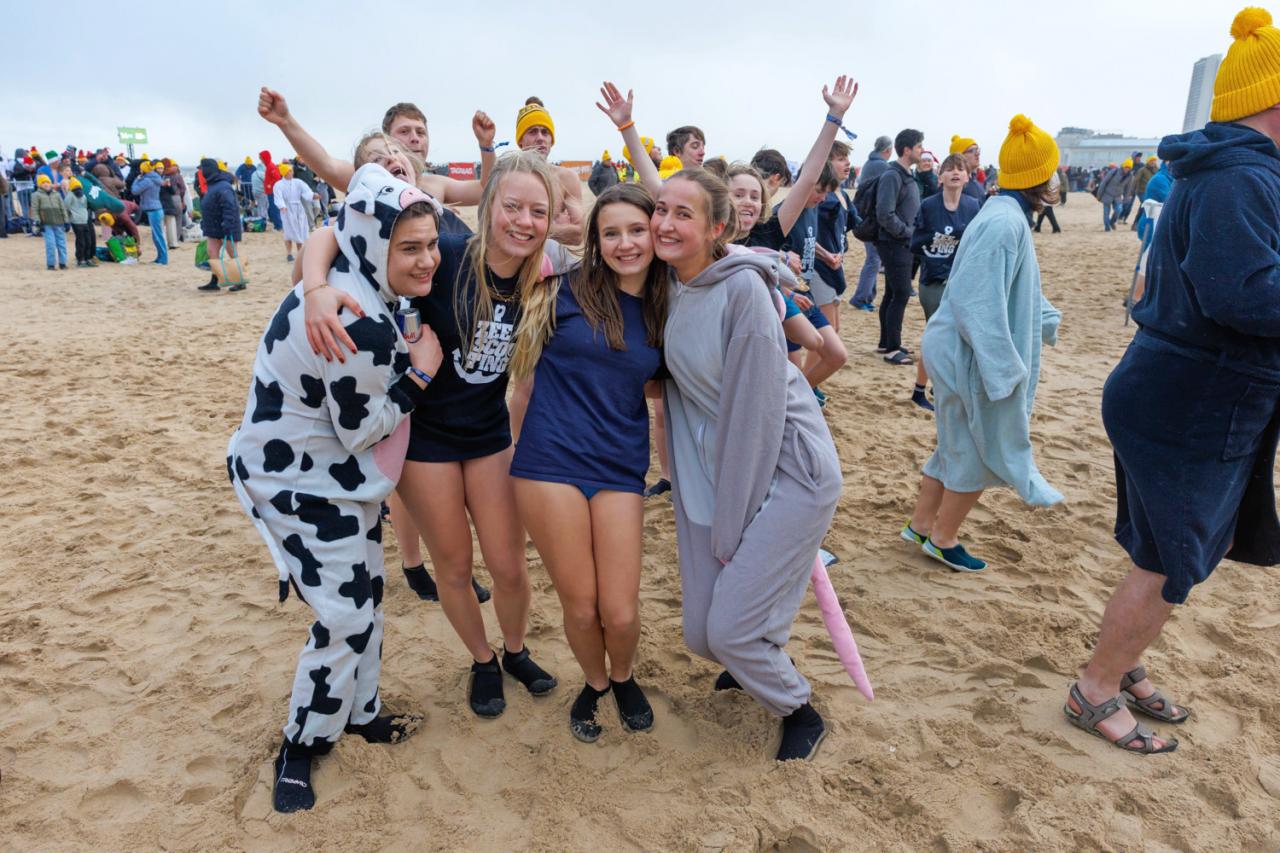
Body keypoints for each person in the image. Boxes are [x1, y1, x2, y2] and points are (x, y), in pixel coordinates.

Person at [1067, 7, 1280, 756]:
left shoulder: (1230, 171)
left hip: (1178, 392)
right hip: (1192, 401)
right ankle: (1095, 687)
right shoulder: (1241, 178)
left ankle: (1123, 665)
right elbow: (1241, 296)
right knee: (1169, 559)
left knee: (1166, 548)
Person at [301, 151, 560, 719]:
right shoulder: (445, 252)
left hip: (489, 436)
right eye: (511, 206)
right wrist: (315, 286)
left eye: (537, 211)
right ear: (488, 206)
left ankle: (516, 651)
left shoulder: (546, 274)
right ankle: (482, 660)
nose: (523, 221)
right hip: (426, 442)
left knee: (509, 566)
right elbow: (332, 232)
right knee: (455, 566)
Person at [228, 163, 444, 813]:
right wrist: (421, 375)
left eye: (431, 244)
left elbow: (336, 219)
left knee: (366, 595)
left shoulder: (352, 266)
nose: (428, 260)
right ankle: (301, 744)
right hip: (298, 479)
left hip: (330, 475)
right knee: (346, 614)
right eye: (410, 248)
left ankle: (360, 712)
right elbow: (362, 429)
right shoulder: (360, 319)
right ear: (377, 244)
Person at [656, 156, 847, 761]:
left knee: (732, 630)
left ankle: (799, 708)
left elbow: (758, 417)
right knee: (702, 634)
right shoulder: (670, 285)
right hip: (721, 464)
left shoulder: (742, 290)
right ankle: (752, 659)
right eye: (661, 209)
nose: (664, 223)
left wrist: (733, 523)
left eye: (683, 215)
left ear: (718, 229)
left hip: (790, 468)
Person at [511, 181, 666, 742]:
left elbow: (659, 383)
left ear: (655, 232)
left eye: (637, 230)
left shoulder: (670, 305)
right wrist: (514, 455)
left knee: (619, 610)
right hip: (548, 461)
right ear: (595, 240)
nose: (626, 244)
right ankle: (596, 683)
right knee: (581, 608)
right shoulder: (560, 291)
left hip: (620, 464)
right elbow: (522, 385)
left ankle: (623, 676)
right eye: (611, 233)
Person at [902, 114, 1063, 573]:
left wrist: (1043, 317)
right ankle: (943, 538)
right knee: (979, 447)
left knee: (954, 442)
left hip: (954, 343)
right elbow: (976, 299)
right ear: (1041, 178)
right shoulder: (1004, 223)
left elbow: (1012, 284)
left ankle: (920, 525)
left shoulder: (1001, 213)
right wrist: (1002, 369)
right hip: (963, 350)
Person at [907, 153, 980, 410]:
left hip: (961, 281)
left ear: (967, 176)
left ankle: (942, 387)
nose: (955, 172)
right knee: (936, 336)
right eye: (949, 169)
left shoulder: (973, 205)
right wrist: (938, 251)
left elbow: (977, 243)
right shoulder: (929, 205)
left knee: (958, 337)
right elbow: (915, 243)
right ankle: (920, 390)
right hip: (933, 280)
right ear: (941, 177)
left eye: (960, 169)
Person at [875, 128, 924, 365]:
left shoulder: (906, 174)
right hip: (894, 243)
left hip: (901, 242)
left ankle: (886, 342)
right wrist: (907, 233)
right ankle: (893, 349)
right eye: (919, 146)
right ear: (907, 150)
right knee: (902, 293)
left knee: (892, 292)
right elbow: (884, 213)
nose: (922, 151)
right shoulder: (892, 175)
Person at [515, 96, 586, 243]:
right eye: (533, 132)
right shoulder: (507, 176)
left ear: (551, 140)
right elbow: (496, 229)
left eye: (545, 132)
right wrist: (556, 227)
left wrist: (525, 228)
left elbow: (578, 234)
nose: (540, 138)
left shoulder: (566, 178)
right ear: (520, 141)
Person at [849, 135, 892, 310]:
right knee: (873, 260)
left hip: (865, 217)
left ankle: (867, 297)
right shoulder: (882, 166)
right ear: (888, 150)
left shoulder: (869, 163)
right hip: (872, 220)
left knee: (874, 259)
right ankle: (860, 298)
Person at [197, 159, 244, 292]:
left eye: (202, 169)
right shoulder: (212, 185)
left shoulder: (223, 186)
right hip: (213, 226)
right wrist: (204, 222)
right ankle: (215, 280)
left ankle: (240, 281)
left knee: (231, 252)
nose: (201, 171)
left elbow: (230, 207)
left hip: (227, 225)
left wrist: (227, 224)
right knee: (212, 252)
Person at [274, 162, 316, 262]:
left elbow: (306, 191)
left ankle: (300, 253)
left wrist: (312, 195)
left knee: (300, 230)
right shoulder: (278, 185)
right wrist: (282, 206)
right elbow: (278, 197)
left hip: (298, 208)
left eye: (292, 171)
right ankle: (289, 254)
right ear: (285, 173)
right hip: (287, 210)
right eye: (290, 171)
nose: (292, 173)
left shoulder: (298, 182)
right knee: (288, 231)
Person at [131, 161, 168, 265]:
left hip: (153, 210)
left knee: (158, 236)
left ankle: (163, 259)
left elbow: (134, 191)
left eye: (141, 168)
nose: (140, 170)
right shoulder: (155, 177)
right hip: (157, 209)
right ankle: (160, 258)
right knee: (157, 236)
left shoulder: (147, 180)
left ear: (144, 169)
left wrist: (136, 179)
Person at [31, 175, 69, 269]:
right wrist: (37, 221)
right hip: (46, 223)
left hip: (59, 222)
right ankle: (51, 264)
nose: (46, 184)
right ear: (39, 185)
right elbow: (35, 209)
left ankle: (63, 263)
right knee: (50, 244)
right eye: (43, 182)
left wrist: (66, 220)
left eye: (47, 182)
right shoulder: (36, 195)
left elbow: (62, 208)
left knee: (61, 243)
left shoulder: (56, 194)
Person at [65, 178, 95, 267]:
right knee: (82, 241)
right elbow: (66, 207)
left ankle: (86, 259)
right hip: (77, 221)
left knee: (87, 241)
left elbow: (84, 207)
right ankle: (81, 259)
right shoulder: (71, 196)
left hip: (83, 220)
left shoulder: (82, 195)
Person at [949, 135, 987, 205]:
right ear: (959, 156)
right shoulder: (954, 185)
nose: (977, 154)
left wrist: (988, 197)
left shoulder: (974, 180)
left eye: (977, 150)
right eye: (972, 151)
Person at [1096, 160, 1130, 231]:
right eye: (1126, 167)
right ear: (1123, 166)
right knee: (1106, 212)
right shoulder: (1114, 172)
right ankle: (1107, 227)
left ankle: (1112, 222)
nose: (1127, 169)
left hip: (1117, 196)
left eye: (1129, 167)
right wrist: (1099, 194)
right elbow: (1104, 182)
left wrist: (1126, 199)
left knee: (1119, 210)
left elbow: (1127, 189)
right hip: (1107, 194)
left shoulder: (1130, 176)